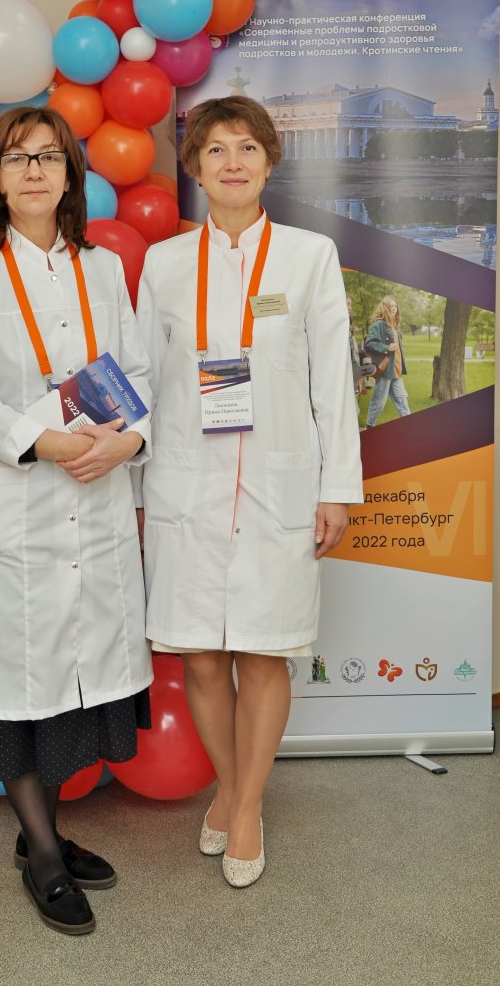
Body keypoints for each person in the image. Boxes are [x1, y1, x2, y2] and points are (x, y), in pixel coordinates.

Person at [0, 107, 153, 936]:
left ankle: (43, 836)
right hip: (18, 503)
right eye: (16, 158)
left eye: (49, 157)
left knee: (73, 682)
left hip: (94, 496)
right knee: (23, 684)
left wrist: (130, 440)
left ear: (69, 176)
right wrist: (50, 443)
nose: (33, 171)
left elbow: (138, 374)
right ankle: (45, 856)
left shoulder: (104, 269)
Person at [135, 96, 363, 888]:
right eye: (214, 149)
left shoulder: (308, 256)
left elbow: (332, 382)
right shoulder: (164, 264)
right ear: (193, 169)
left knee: (265, 652)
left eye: (246, 148)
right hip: (186, 487)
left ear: (268, 162)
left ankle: (243, 808)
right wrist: (135, 489)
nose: (231, 162)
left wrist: (335, 488)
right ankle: (232, 789)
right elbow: (144, 382)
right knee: (200, 656)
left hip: (277, 484)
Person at [364, 296, 410, 427]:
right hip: (385, 370)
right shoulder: (379, 325)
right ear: (385, 308)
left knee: (402, 399)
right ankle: (369, 427)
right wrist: (386, 347)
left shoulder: (394, 326)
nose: (394, 309)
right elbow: (369, 343)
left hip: (396, 370)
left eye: (395, 306)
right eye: (391, 306)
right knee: (379, 402)